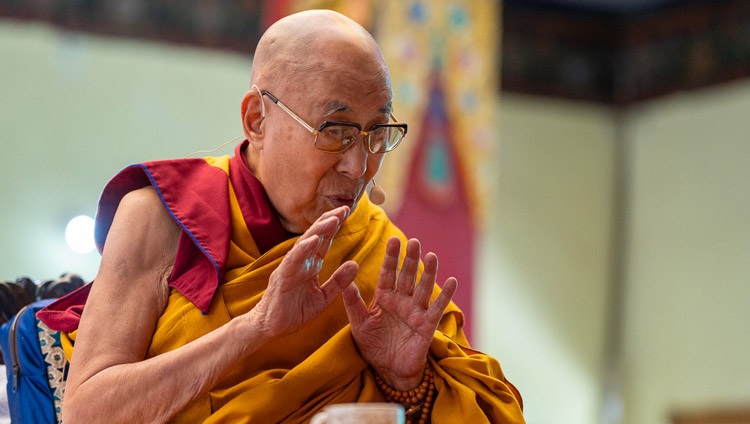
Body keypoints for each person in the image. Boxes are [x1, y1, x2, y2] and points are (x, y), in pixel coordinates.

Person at [39, 9, 524, 424]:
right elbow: (89, 410)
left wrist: (407, 382)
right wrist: (254, 329)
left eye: (378, 133)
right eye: (335, 130)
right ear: (257, 119)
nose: (358, 166)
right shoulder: (166, 216)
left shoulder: (380, 258)